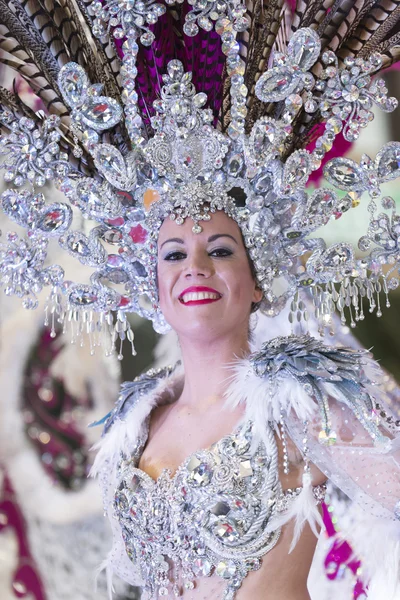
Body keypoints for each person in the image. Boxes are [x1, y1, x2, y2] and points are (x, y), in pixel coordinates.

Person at [1, 2, 400, 600]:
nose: (195, 267)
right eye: (172, 254)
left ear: (256, 278)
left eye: (218, 249)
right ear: (153, 287)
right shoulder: (136, 423)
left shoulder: (301, 400)